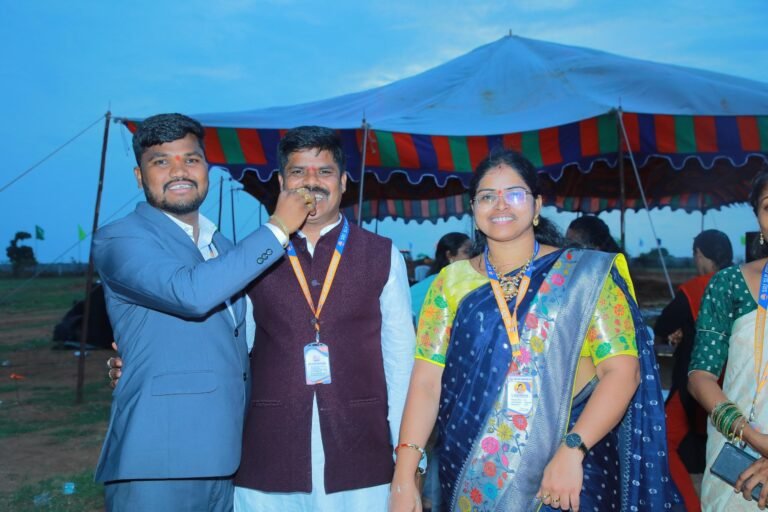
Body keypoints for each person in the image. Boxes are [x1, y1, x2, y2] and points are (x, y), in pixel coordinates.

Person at [389, 149, 682, 512]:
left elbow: (623, 372)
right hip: (470, 470)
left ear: (537, 204)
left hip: (571, 467)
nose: (500, 205)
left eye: (514, 194)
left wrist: (574, 448)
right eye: (487, 196)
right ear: (473, 208)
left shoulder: (584, 276)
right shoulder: (449, 284)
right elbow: (426, 383)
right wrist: (405, 473)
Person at [93, 113, 312, 511]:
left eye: (191, 159)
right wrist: (279, 227)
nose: (179, 171)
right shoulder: (120, 238)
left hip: (229, 457)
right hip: (159, 462)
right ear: (140, 177)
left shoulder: (223, 248)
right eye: (161, 161)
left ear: (206, 169)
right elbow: (190, 293)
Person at [233, 126, 416, 511]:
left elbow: (400, 363)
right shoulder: (251, 255)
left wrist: (407, 457)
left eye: (325, 171)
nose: (311, 182)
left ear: (344, 182)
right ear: (281, 182)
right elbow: (230, 352)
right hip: (270, 453)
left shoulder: (382, 254)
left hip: (362, 451)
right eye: (298, 171)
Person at [688, 169, 768, 510]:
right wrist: (754, 438)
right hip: (740, 453)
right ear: (757, 217)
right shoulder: (729, 284)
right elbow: (700, 377)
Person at [655, 229, 733, 511]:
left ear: (700, 254)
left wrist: (681, 331)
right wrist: (686, 330)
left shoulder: (697, 287)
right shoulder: (741, 283)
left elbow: (663, 325)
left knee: (661, 441)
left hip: (696, 381)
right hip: (733, 382)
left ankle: (691, 505)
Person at [409, 232, 471, 512]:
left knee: (429, 448)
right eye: (466, 251)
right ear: (450, 255)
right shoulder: (448, 286)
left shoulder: (420, 288)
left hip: (427, 379)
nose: (471, 257)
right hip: (441, 380)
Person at [410, 232, 471, 321]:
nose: (473, 256)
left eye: (474, 251)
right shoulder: (438, 284)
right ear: (449, 255)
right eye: (467, 251)